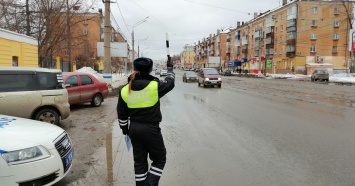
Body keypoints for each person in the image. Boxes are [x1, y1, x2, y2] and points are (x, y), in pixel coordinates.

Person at [116, 57, 175, 186]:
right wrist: (170, 70)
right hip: (151, 129)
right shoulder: (154, 85)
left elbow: (121, 114)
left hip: (134, 130)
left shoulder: (125, 89)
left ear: (135, 69)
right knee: (160, 159)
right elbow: (170, 83)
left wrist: (125, 130)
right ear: (149, 69)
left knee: (139, 163)